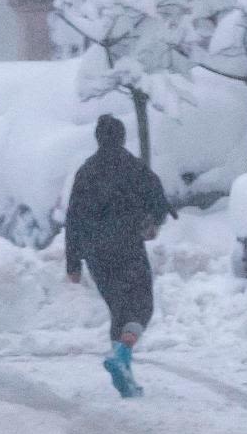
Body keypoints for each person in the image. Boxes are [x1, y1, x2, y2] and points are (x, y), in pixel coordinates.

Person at [61, 113, 168, 398]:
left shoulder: (86, 172)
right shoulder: (134, 167)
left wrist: (73, 263)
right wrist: (153, 223)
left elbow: (73, 219)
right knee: (141, 305)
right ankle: (122, 357)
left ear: (98, 138)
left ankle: (124, 371)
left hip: (96, 253)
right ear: (121, 137)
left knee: (118, 308)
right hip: (128, 246)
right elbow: (159, 199)